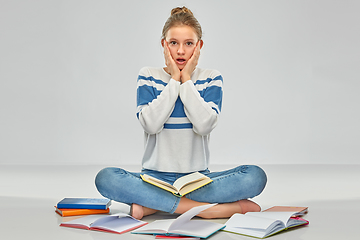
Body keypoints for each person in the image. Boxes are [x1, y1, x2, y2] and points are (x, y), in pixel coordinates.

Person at [95, 6, 267, 220]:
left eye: (189, 44)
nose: (180, 51)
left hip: (197, 182)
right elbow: (150, 124)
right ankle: (207, 210)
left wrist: (186, 80)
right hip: (153, 179)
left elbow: (204, 125)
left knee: (254, 177)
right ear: (164, 45)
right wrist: (174, 79)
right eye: (173, 43)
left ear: (199, 46)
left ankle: (154, 205)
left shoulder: (211, 78)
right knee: (106, 178)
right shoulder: (148, 75)